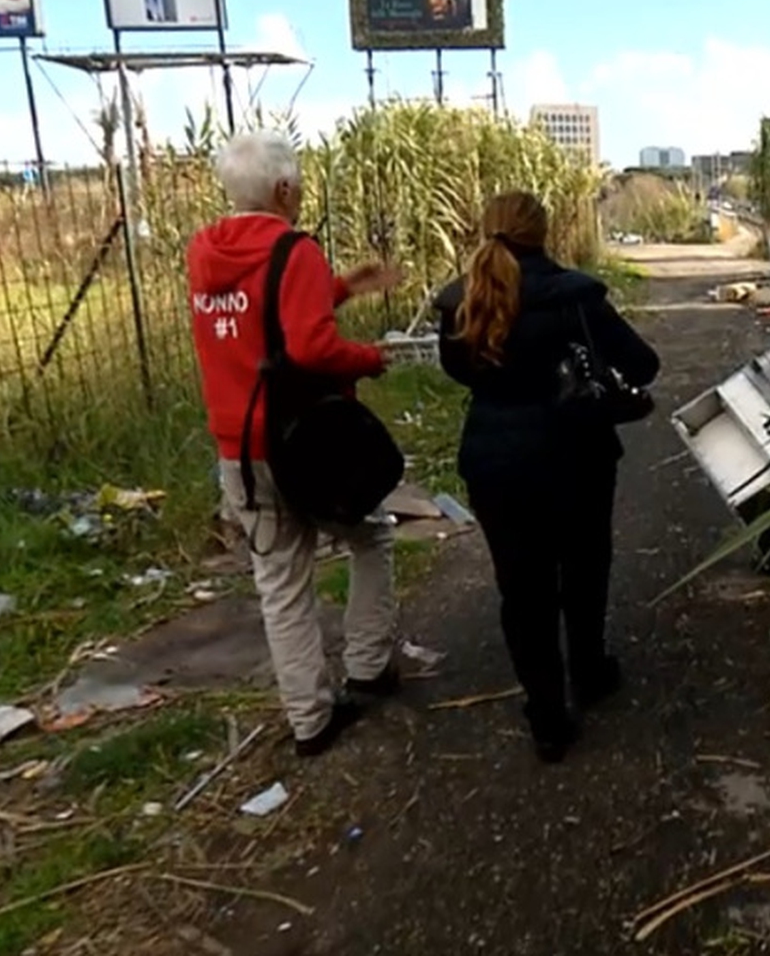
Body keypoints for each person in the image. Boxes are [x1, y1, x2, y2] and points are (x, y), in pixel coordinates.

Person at [186, 130, 406, 758]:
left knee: (280, 581)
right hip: (302, 443)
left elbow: (262, 320)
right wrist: (366, 358)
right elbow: (309, 347)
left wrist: (339, 288)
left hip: (238, 445)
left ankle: (309, 719)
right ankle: (367, 664)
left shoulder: (204, 251)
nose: (302, 191)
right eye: (300, 183)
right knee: (371, 535)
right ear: (284, 188)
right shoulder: (293, 248)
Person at [433, 191, 659, 762]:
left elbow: (459, 370)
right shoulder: (576, 297)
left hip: (493, 462)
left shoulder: (464, 301)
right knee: (584, 567)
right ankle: (589, 670)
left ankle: (547, 716)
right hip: (576, 453)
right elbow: (643, 364)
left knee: (521, 588)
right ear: (543, 232)